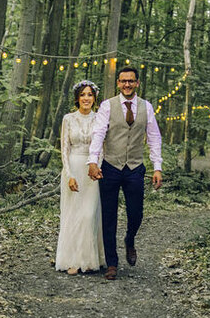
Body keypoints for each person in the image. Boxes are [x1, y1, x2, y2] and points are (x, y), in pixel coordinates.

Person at [87, 66, 163, 280]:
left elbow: (154, 137)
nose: (127, 84)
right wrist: (93, 161)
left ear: (137, 83)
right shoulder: (107, 106)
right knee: (108, 216)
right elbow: (98, 133)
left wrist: (157, 167)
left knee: (136, 213)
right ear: (118, 83)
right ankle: (112, 263)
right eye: (123, 81)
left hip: (135, 168)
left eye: (131, 81)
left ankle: (130, 239)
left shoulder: (146, 107)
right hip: (110, 166)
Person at [55, 80, 106, 275]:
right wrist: (69, 174)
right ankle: (73, 260)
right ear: (77, 98)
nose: (86, 98)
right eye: (83, 95)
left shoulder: (100, 118)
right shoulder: (68, 119)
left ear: (94, 98)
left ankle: (91, 258)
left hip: (92, 170)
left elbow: (102, 147)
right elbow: (64, 149)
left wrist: (97, 168)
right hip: (73, 168)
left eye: (90, 95)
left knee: (89, 215)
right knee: (73, 215)